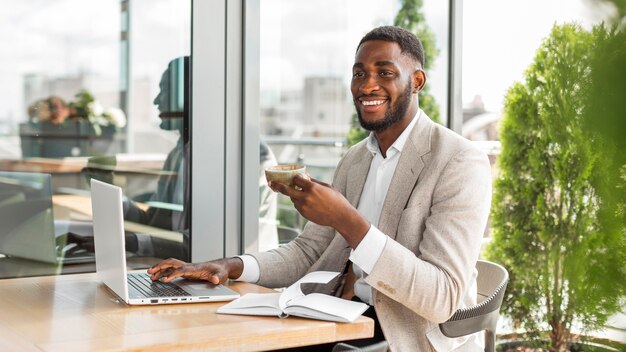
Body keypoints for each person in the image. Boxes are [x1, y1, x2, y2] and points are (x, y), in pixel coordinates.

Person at [148, 26, 492, 351]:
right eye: (359, 73)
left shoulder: (459, 162)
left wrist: (347, 221)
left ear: (416, 81)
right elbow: (309, 251)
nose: (367, 85)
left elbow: (442, 297)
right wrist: (228, 265)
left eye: (384, 72)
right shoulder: (356, 160)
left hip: (403, 334)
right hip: (337, 314)